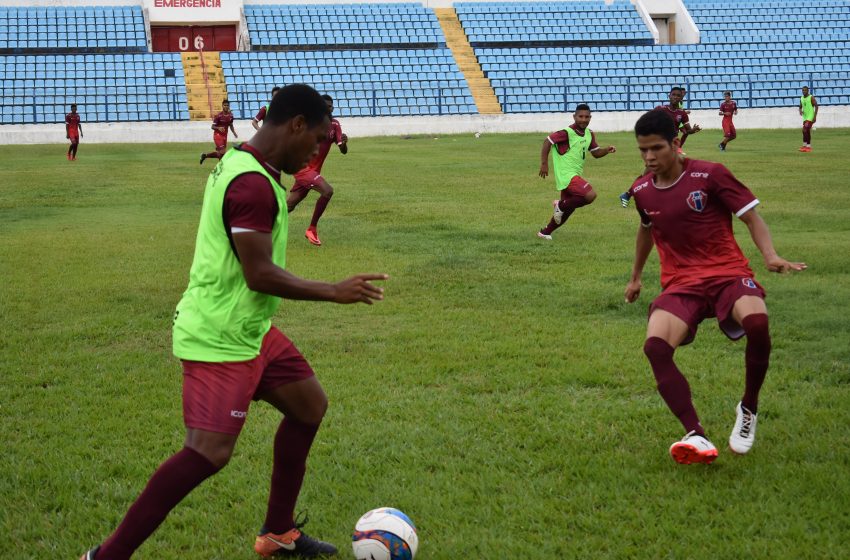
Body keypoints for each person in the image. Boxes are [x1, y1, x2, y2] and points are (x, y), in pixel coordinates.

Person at [79, 84, 388, 560]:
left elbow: (259, 234)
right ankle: (105, 556)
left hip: (250, 327)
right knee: (207, 452)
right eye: (317, 139)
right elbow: (258, 272)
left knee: (309, 407)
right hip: (219, 333)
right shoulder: (250, 182)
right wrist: (333, 290)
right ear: (297, 125)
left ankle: (277, 532)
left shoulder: (251, 163)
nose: (316, 151)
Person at [623, 109, 806, 465]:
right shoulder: (641, 189)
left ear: (675, 144)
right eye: (642, 150)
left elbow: (751, 216)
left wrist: (770, 255)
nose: (649, 158)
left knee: (757, 324)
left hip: (727, 273)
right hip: (681, 282)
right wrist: (635, 278)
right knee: (656, 348)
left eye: (656, 148)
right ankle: (696, 434)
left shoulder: (711, 174)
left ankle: (749, 407)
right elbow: (646, 230)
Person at [536, 103, 616, 240]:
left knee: (567, 210)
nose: (583, 119)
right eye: (580, 116)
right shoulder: (566, 133)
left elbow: (596, 153)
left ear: (590, 117)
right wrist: (544, 164)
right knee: (590, 195)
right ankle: (559, 205)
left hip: (575, 174)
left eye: (587, 117)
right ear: (574, 116)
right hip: (566, 175)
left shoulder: (589, 133)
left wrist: (606, 150)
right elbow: (547, 141)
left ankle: (545, 232)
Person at [619, 86, 701, 207]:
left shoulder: (682, 114)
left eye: (678, 95)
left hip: (671, 148)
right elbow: (650, 123)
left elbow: (687, 131)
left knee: (674, 173)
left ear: (681, 98)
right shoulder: (661, 109)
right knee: (648, 174)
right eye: (673, 95)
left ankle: (669, 200)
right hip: (657, 146)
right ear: (669, 95)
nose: (675, 97)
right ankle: (627, 194)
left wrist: (693, 130)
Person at [286, 94, 348, 246]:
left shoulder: (335, 125)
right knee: (327, 191)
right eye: (325, 106)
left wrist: (344, 143)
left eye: (330, 106)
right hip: (302, 167)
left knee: (289, 205)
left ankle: (259, 225)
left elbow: (343, 150)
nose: (328, 108)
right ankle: (311, 229)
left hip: (313, 171)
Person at [200, 99, 238, 164]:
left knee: (221, 154)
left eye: (227, 105)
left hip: (224, 136)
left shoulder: (231, 116)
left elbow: (231, 125)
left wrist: (234, 132)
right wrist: (218, 128)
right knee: (223, 152)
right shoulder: (219, 116)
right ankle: (221, 167)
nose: (226, 106)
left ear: (229, 106)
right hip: (218, 135)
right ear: (222, 106)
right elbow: (212, 126)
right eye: (224, 105)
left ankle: (205, 156)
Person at [799, 86, 818, 152]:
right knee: (806, 131)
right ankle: (806, 146)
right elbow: (800, 106)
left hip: (810, 116)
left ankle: (807, 146)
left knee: (804, 130)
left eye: (805, 90)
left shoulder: (811, 97)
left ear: (808, 91)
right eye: (803, 90)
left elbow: (816, 106)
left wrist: (815, 116)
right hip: (805, 117)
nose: (804, 91)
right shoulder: (801, 98)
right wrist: (800, 110)